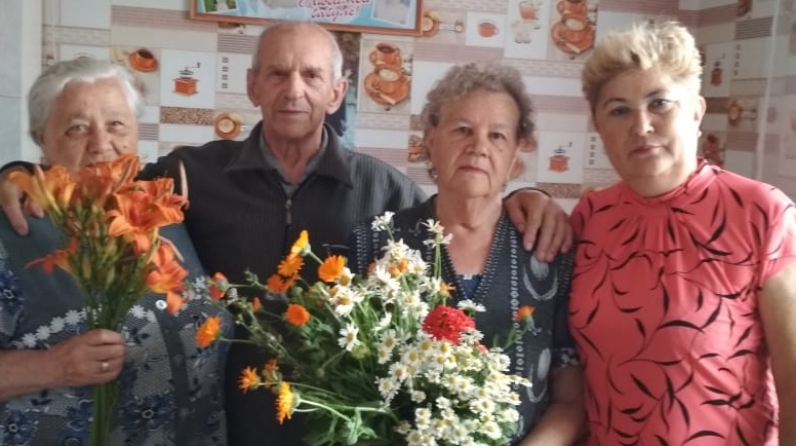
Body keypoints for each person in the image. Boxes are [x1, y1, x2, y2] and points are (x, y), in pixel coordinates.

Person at [1, 22, 572, 446]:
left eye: (312, 75)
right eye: (276, 74)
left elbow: (460, 209)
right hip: (223, 424)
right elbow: (101, 177)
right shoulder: (188, 175)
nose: (293, 90)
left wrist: (527, 197)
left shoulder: (385, 190)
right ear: (252, 86)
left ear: (337, 92)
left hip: (338, 427)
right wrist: (19, 175)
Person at [568, 21, 796, 445]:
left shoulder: (760, 213)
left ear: (696, 110)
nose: (641, 125)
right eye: (619, 110)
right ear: (599, 127)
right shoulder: (590, 217)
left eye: (659, 103)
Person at [0, 58, 232, 446]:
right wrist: (51, 366)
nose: (100, 144)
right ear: (42, 138)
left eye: (116, 124)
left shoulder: (166, 211)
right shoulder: (14, 229)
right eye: (76, 128)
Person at [351, 62, 585, 446]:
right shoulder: (376, 245)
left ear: (515, 156)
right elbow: (351, 389)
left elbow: (571, 401)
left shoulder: (549, 251)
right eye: (462, 130)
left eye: (497, 136)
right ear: (431, 139)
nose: (478, 147)